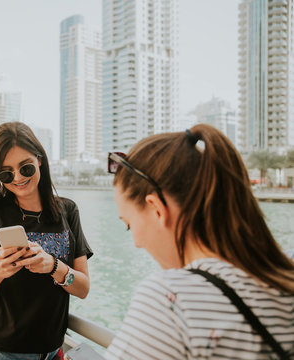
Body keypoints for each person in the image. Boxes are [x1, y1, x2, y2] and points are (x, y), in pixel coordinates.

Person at [105, 124, 294, 359]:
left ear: (156, 209)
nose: (136, 242)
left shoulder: (170, 300)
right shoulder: (286, 268)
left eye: (129, 224)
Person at [0, 122, 93, 360]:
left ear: (39, 160)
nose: (18, 178)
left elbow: (83, 288)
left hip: (51, 352)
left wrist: (53, 266)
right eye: (6, 173)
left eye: (26, 168)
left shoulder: (67, 211)